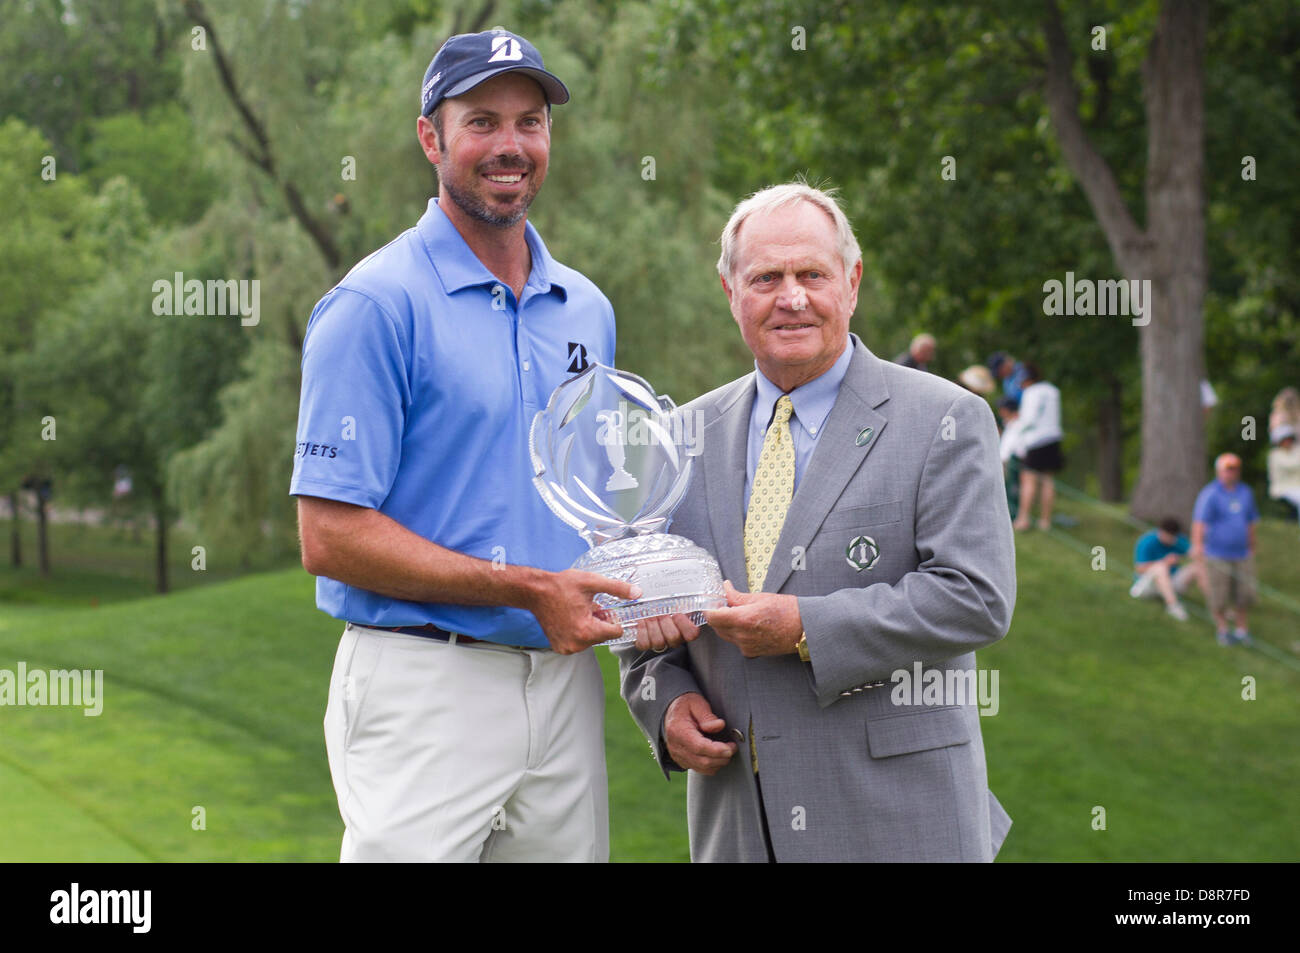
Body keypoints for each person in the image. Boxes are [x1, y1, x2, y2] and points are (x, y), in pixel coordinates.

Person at [291, 29, 638, 863]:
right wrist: (527, 588)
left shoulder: (585, 307)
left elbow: (593, 497)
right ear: (430, 137)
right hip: (423, 681)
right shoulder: (373, 305)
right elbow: (328, 535)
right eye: (482, 121)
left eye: (531, 122)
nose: (511, 145)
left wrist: (648, 583)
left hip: (561, 685)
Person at [614, 183, 1015, 862]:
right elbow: (644, 622)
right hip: (741, 827)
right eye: (766, 277)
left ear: (851, 283)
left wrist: (804, 628)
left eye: (812, 274)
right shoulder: (676, 439)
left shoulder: (944, 418)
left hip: (898, 823)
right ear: (729, 291)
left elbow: (975, 598)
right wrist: (668, 705)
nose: (791, 297)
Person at [1192, 453, 1259, 646]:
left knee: (1243, 594)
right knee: (1218, 595)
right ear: (1219, 471)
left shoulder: (1245, 492)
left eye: (1235, 468)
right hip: (1216, 554)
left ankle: (1241, 630)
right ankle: (1222, 630)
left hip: (1242, 553)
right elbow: (1199, 523)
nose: (1232, 472)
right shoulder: (1210, 494)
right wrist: (1198, 547)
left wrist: (1252, 545)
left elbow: (1250, 522)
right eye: (1228, 469)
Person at [1011, 363, 1064, 531]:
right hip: (1053, 438)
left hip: (1036, 441)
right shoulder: (1052, 390)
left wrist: (1016, 426)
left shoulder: (1031, 392)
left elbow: (1029, 419)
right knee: (1048, 479)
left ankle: (1023, 519)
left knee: (1028, 480)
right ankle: (1045, 521)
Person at [1129, 518, 1208, 622]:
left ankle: (1216, 605)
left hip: (1172, 581)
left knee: (1198, 567)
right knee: (1160, 567)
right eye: (1168, 537)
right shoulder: (1147, 541)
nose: (1170, 540)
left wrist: (1199, 551)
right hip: (1148, 585)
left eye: (1173, 537)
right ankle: (1173, 606)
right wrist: (1165, 562)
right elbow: (1139, 569)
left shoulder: (1178, 540)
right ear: (1160, 531)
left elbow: (1194, 553)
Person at [997, 396, 1025, 521]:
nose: (1000, 411)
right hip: (1003, 462)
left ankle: (1012, 515)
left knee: (1013, 489)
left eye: (1002, 409)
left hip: (1012, 462)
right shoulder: (1007, 424)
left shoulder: (1019, 424)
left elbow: (1015, 446)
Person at [1267, 426, 1300, 522]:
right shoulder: (1274, 455)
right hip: (1283, 488)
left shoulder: (1297, 451)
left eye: (1289, 439)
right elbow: (1289, 466)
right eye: (1285, 439)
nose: (1288, 442)